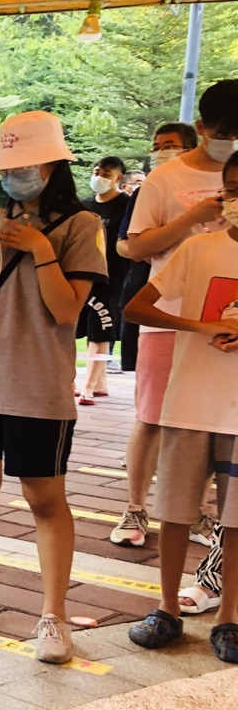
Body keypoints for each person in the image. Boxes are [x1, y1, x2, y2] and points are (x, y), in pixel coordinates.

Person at [0, 110, 106, 664]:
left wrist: (41, 248)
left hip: (38, 386)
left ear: (52, 166)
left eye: (24, 166)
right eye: (8, 168)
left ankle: (53, 616)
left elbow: (67, 311)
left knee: (44, 499)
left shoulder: (82, 225)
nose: (14, 177)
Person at [110, 90, 238, 550]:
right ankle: (136, 507)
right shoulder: (166, 178)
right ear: (202, 128)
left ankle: (197, 513)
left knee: (218, 426)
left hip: (231, 325)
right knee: (153, 417)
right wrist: (194, 218)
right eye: (223, 132)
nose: (229, 140)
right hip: (168, 317)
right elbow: (134, 247)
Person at [124, 150, 238, 664]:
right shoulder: (198, 249)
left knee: (235, 521)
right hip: (189, 405)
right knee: (173, 512)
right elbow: (136, 307)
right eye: (231, 189)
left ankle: (228, 616)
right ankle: (166, 609)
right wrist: (200, 325)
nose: (235, 200)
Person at [113, 124, 200, 376]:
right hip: (145, 287)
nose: (161, 153)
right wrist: (145, 248)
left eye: (169, 146)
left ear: (191, 149)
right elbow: (125, 244)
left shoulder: (215, 186)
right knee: (148, 375)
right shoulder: (147, 189)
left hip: (192, 295)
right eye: (156, 148)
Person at [78, 156, 128, 404]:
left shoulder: (127, 206)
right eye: (97, 172)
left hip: (112, 279)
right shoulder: (84, 206)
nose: (99, 177)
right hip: (83, 274)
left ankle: (88, 387)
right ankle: (99, 383)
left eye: (107, 173)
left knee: (101, 329)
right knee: (81, 329)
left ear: (119, 177)